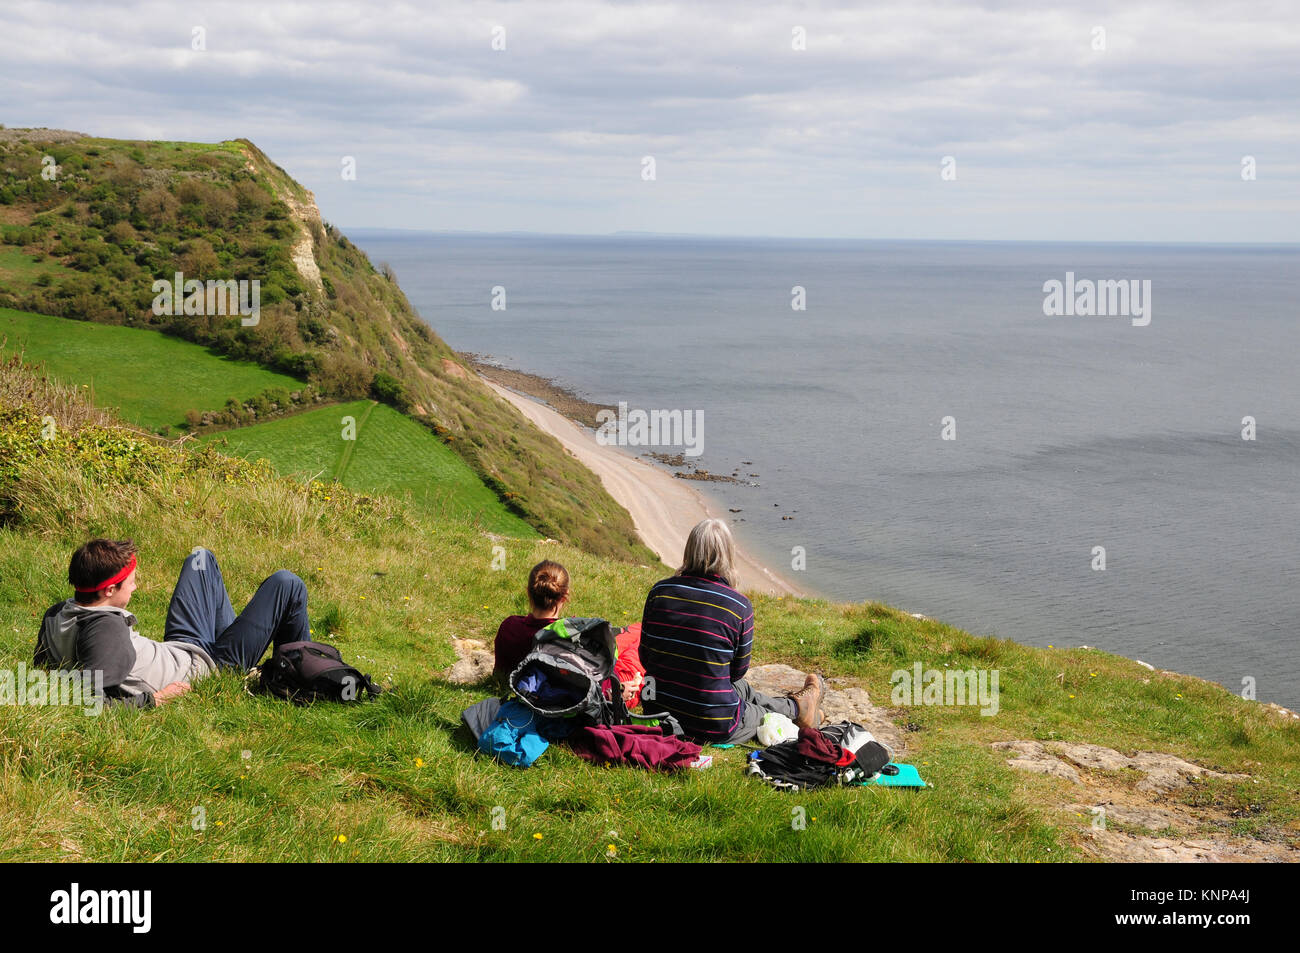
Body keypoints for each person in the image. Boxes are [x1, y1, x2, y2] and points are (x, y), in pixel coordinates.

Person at [35, 538, 311, 709]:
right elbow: (93, 704)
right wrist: (156, 699)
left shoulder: (57, 613)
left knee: (201, 558)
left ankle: (268, 659)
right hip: (210, 668)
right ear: (109, 590)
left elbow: (46, 669)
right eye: (130, 583)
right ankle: (304, 679)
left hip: (182, 647)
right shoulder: (105, 632)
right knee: (287, 583)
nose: (135, 588)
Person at [639, 518, 823, 743]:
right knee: (763, 715)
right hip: (712, 724)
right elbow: (735, 672)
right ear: (728, 556)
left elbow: (646, 657)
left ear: (689, 550)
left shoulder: (659, 591)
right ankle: (798, 712)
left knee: (742, 689)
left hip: (657, 711)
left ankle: (798, 707)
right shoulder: (738, 606)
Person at [493, 559, 644, 704]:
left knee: (633, 633)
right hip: (605, 687)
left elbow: (500, 672)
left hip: (588, 675)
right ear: (565, 596)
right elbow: (584, 691)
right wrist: (617, 692)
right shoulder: (570, 636)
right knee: (640, 642)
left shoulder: (509, 625)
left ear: (528, 592)